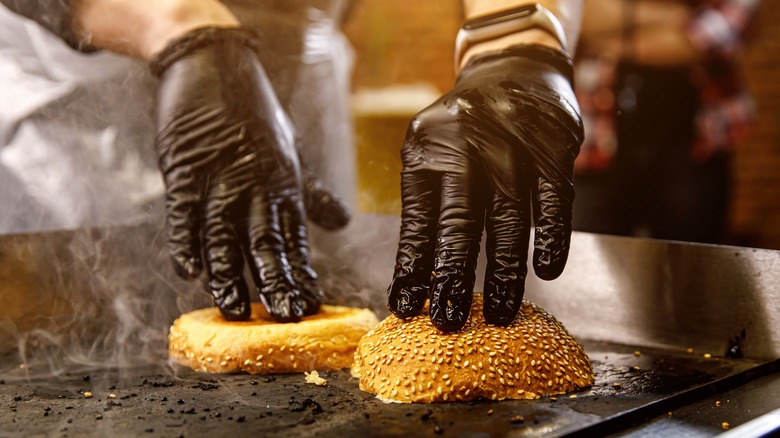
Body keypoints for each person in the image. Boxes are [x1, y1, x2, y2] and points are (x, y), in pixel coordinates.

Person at [0, 0, 584, 331]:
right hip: (84, 89)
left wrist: (511, 35)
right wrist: (179, 25)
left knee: (311, 292)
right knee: (88, 321)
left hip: (303, 67)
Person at [572, 0, 759, 244]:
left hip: (696, 142)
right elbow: (574, 18)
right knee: (585, 259)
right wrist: (683, 21)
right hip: (596, 142)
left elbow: (719, 36)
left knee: (692, 261)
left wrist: (610, 30)